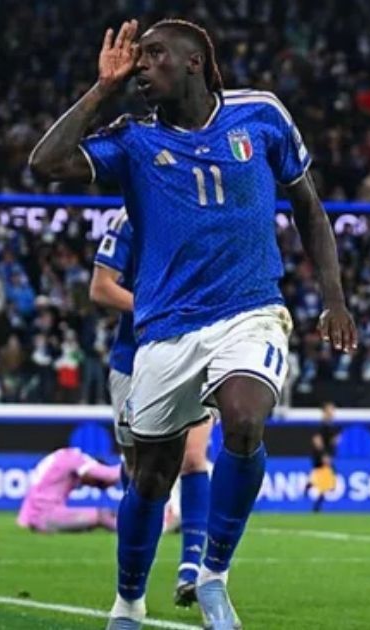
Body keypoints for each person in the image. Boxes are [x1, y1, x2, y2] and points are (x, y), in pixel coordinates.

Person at [29, 18, 356, 630]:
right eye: (137, 59)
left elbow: (309, 206)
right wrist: (103, 89)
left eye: (153, 55)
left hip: (249, 311)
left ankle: (213, 575)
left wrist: (334, 298)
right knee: (151, 479)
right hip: (164, 332)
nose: (141, 67)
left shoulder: (261, 115)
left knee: (245, 420)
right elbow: (46, 163)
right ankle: (128, 602)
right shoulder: (133, 140)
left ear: (194, 62)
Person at [89, 208, 213, 607]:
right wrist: (159, 307)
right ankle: (131, 583)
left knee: (193, 458)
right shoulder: (130, 218)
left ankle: (191, 571)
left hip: (194, 353)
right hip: (135, 360)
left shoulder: (205, 213)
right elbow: (101, 288)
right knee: (139, 473)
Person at [16, 447, 119, 533]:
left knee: (106, 514)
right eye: (97, 484)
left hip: (32, 517)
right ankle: (128, 533)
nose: (90, 486)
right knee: (102, 516)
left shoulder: (62, 456)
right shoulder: (76, 458)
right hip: (46, 517)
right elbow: (111, 475)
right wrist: (128, 462)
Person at [306, 402, 340, 513]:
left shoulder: (332, 426)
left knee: (327, 480)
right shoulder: (321, 426)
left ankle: (310, 486)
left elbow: (333, 441)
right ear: (325, 412)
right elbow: (317, 441)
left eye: (333, 410)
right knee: (329, 478)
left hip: (326, 456)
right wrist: (324, 455)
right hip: (321, 456)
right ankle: (310, 488)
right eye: (330, 410)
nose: (332, 412)